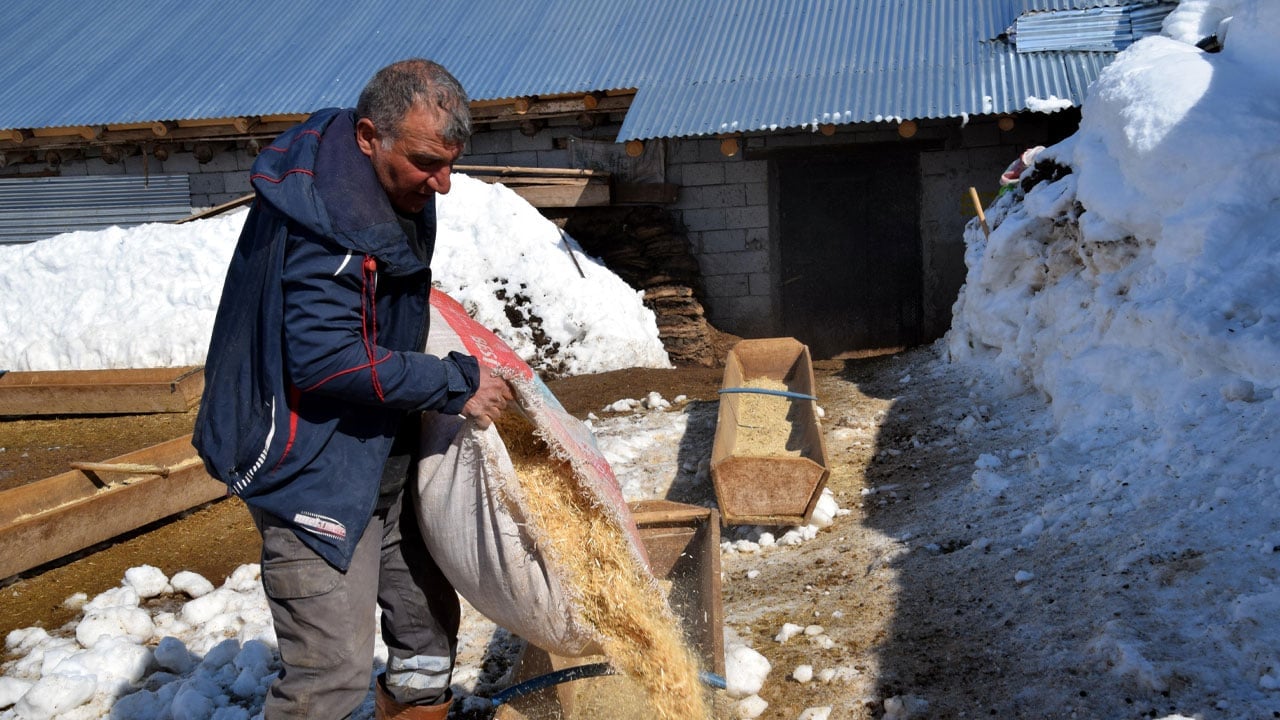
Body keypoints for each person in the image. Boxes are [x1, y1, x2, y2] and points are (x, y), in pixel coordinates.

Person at [193, 58, 512, 720]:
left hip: (378, 449)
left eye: (450, 164)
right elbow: (325, 358)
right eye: (428, 163)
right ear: (369, 136)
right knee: (331, 675)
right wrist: (453, 382)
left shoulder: (384, 184)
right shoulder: (329, 219)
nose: (443, 183)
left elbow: (370, 308)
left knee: (426, 637)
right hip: (312, 466)